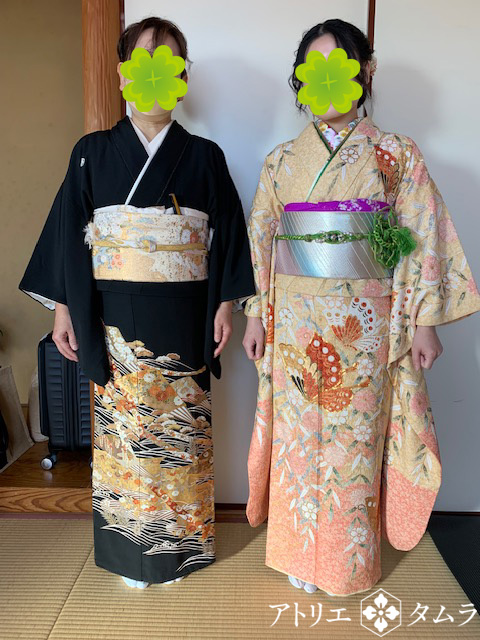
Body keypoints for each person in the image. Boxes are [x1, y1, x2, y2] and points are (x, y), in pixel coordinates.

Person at [242, 18, 480, 597]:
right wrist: (253, 312)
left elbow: (418, 236)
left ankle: (346, 562)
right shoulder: (281, 161)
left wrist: (423, 321)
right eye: (313, 69)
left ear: (365, 71)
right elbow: (262, 238)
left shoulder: (395, 154)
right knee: (299, 441)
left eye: (339, 66)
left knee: (355, 441)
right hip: (294, 322)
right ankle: (297, 551)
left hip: (364, 326)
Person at [19, 16, 255, 589]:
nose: (155, 78)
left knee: (181, 437)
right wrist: (63, 308)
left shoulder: (205, 156)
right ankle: (131, 554)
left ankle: (179, 549)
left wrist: (226, 305)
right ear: (125, 76)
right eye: (144, 64)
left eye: (168, 65)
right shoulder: (91, 153)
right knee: (124, 440)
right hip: (113, 325)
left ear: (182, 78)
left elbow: (227, 235)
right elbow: (68, 236)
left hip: (184, 319)